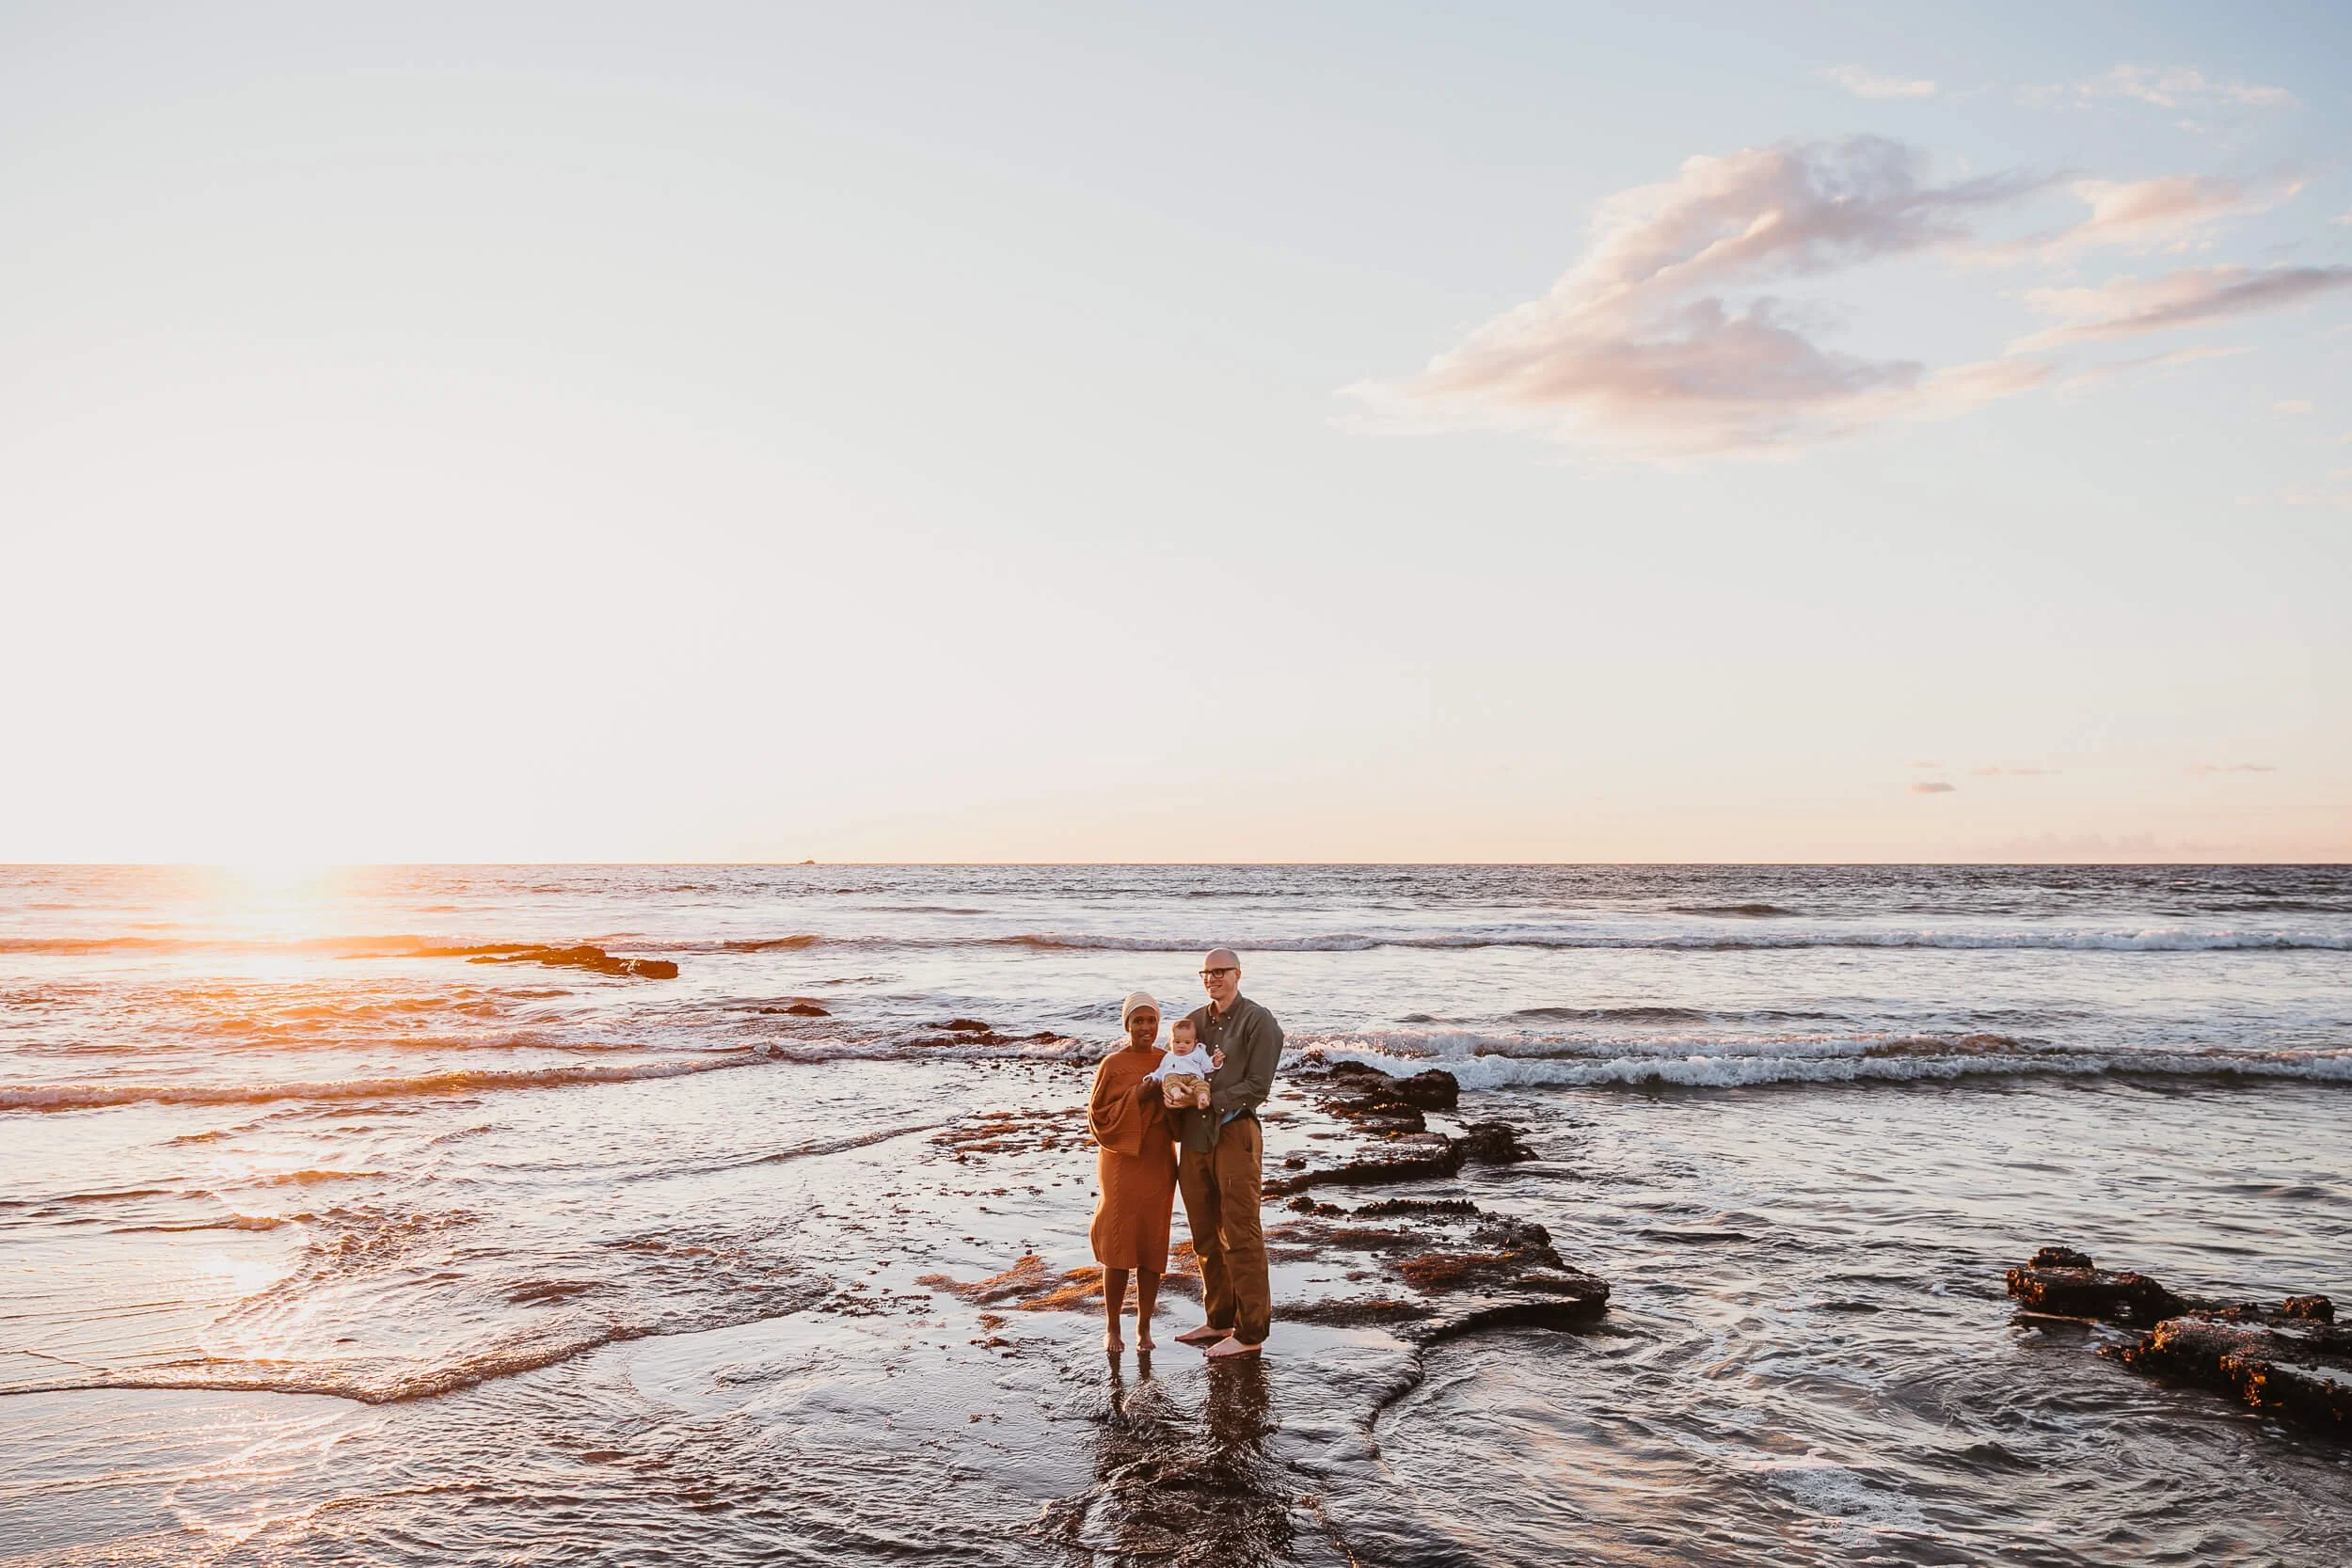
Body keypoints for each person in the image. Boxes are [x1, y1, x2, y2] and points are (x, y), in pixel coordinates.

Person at [1168, 947, 1282, 1360]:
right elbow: (1175, 1066)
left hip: (1235, 1132)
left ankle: (1251, 1331)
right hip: (1195, 1139)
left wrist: (1208, 1097)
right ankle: (1219, 1319)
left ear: (1238, 973)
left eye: (1221, 971)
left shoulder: (1259, 1021)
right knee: (1203, 1232)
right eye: (1207, 972)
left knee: (1241, 1233)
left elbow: (1258, 1088)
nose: (1213, 978)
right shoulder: (1194, 1022)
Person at [1087, 990, 1180, 1354]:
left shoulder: (1170, 1060)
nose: (1145, 1027)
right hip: (1121, 1163)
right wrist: (1136, 1097)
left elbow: (1184, 1109)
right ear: (1127, 1025)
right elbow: (1098, 1117)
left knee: (1153, 1245)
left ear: (1159, 1024)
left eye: (1151, 1020)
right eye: (1138, 1020)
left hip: (1158, 1160)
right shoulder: (1112, 1064)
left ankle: (1143, 1328)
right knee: (1119, 1242)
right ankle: (1112, 1327)